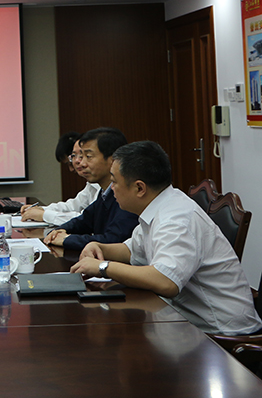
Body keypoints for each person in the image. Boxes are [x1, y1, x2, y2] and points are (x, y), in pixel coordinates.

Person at [71, 141, 262, 335]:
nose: (111, 188)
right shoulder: (160, 205)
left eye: (115, 181)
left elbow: (166, 281)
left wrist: (103, 267)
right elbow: (133, 250)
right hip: (187, 321)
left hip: (222, 333)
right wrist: (99, 247)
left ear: (139, 188)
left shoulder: (175, 219)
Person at [43, 127, 138, 251]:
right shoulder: (105, 193)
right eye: (81, 156)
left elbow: (112, 240)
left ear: (113, 159)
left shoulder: (128, 194)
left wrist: (67, 239)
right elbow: (84, 220)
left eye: (89, 156)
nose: (82, 164)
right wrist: (60, 231)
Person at [21, 133, 100, 225]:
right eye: (74, 156)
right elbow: (72, 206)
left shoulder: (110, 188)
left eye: (87, 156)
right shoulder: (92, 184)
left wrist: (44, 215)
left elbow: (86, 220)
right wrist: (42, 209)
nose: (78, 162)